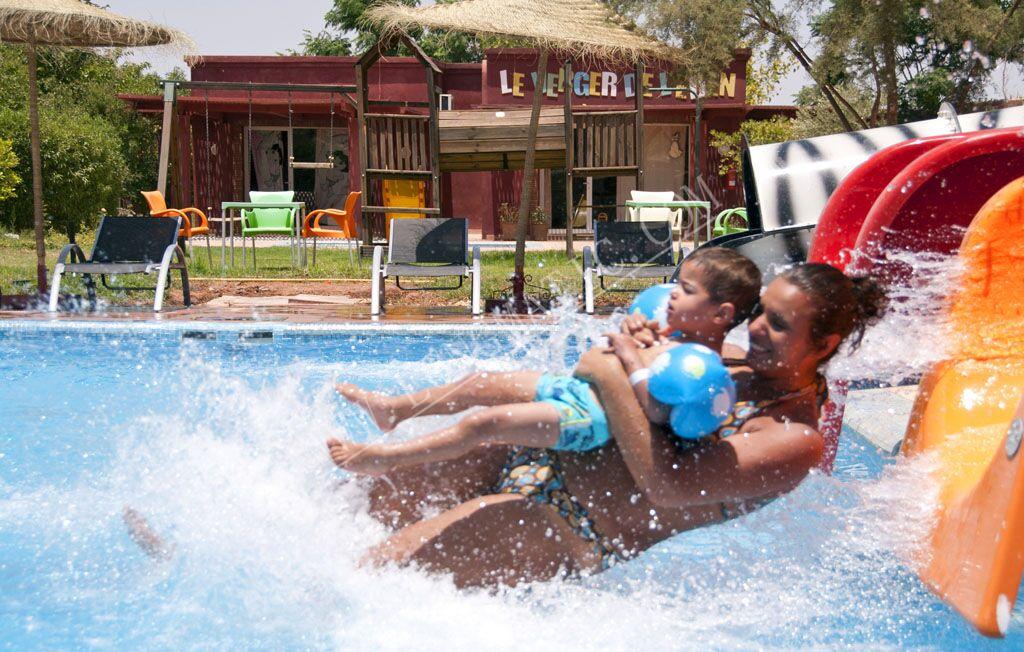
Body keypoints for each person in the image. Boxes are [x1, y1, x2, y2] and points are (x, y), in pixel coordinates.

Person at [337, 263, 886, 588]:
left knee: (372, 576)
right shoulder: (732, 360)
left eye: (780, 323)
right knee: (347, 510)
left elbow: (669, 485)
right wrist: (639, 338)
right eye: (760, 311)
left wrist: (610, 368)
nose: (757, 328)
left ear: (825, 344)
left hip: (561, 522)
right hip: (525, 452)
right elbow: (636, 373)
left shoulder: (793, 439)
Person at [328, 247, 762, 475]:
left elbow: (654, 409)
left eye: (685, 290)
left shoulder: (702, 364)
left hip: (590, 419)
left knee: (486, 424)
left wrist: (631, 358)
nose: (671, 295)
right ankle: (395, 409)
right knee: (479, 382)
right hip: (577, 391)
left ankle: (386, 457)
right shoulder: (672, 330)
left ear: (722, 314)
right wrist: (636, 334)